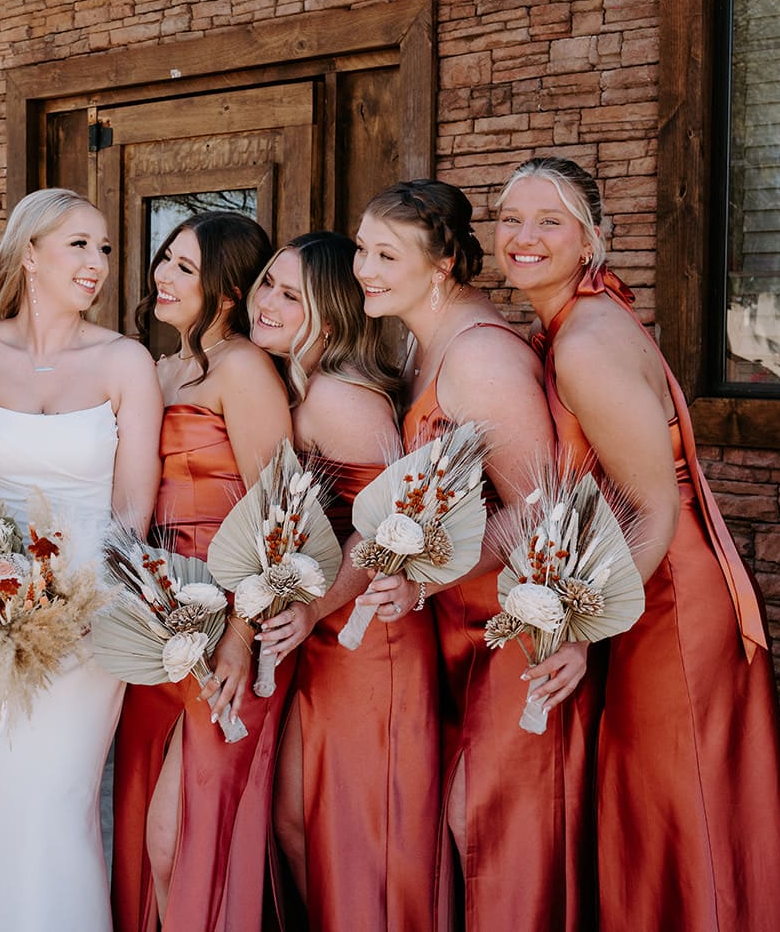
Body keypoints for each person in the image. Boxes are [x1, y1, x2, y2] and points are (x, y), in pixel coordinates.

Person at [493, 156, 780, 932]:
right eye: (509, 219)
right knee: (664, 810)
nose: (523, 237)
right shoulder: (575, 320)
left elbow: (658, 511)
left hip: (668, 596)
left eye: (549, 221)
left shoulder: (586, 346)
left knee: (681, 808)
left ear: (592, 238)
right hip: (643, 585)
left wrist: (578, 631)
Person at [353, 180, 596, 930]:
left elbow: (538, 509)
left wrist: (419, 567)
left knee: (489, 825)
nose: (364, 267)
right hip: (455, 628)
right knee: (460, 831)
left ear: (443, 267)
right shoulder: (421, 345)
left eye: (386, 254)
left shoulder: (481, 356)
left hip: (511, 629)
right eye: (362, 248)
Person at [0, 187, 162, 932]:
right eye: (79, 244)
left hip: (86, 620)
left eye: (103, 248)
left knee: (57, 806)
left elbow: (133, 512)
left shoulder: (126, 361)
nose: (97, 262)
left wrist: (78, 601)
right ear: (30, 254)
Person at [249, 231, 438, 931]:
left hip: (369, 636)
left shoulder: (340, 399)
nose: (266, 300)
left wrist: (314, 606)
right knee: (298, 817)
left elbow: (394, 525)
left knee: (356, 830)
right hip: (325, 630)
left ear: (328, 315)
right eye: (267, 281)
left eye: (289, 294)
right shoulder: (295, 385)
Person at [110, 211, 291, 932]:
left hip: (223, 622)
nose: (163, 274)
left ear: (226, 291)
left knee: (178, 834)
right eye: (165, 259)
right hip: (158, 615)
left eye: (185, 267)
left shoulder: (243, 369)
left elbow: (279, 512)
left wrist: (242, 636)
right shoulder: (161, 369)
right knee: (141, 829)